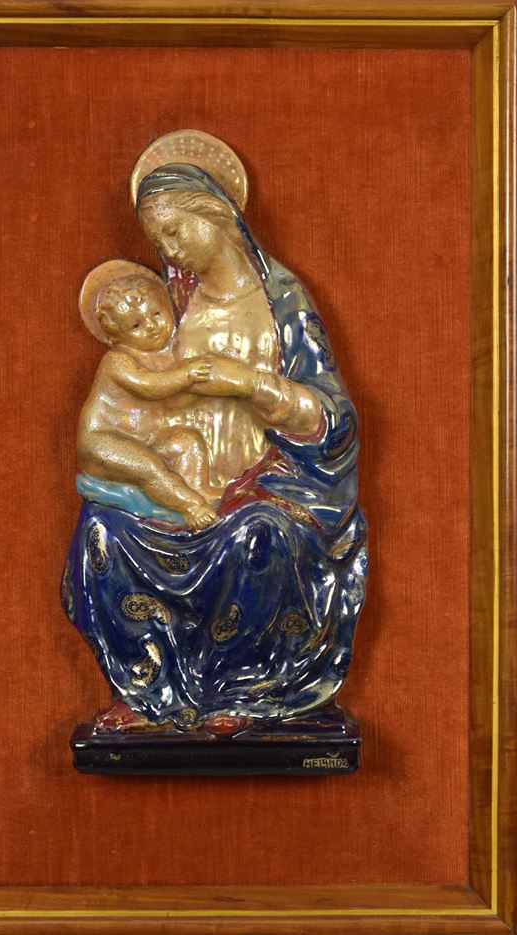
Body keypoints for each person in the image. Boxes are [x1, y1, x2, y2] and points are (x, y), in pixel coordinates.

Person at [62, 163, 367, 731]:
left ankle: (240, 690)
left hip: (268, 481)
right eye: (159, 242)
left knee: (259, 536)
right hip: (183, 477)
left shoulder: (282, 303)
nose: (170, 252)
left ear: (218, 214)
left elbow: (335, 422)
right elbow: (137, 388)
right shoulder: (171, 303)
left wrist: (250, 384)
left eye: (175, 232)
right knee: (103, 531)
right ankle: (151, 689)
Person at [77, 268, 220, 530]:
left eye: (156, 313)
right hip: (103, 441)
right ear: (115, 335)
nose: (152, 327)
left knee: (187, 442)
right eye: (136, 325)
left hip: (146, 439)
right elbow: (148, 386)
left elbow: (174, 399)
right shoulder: (117, 361)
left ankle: (199, 490)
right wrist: (186, 375)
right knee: (150, 467)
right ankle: (190, 506)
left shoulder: (168, 356)